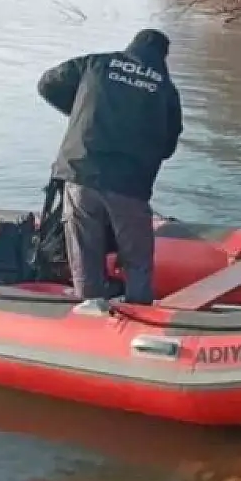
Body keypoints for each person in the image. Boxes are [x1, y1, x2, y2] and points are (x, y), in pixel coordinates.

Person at [37, 29, 183, 308]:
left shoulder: (96, 64)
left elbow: (47, 84)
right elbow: (168, 145)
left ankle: (89, 311)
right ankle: (139, 312)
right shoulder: (165, 88)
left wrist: (81, 112)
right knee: (137, 259)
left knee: (83, 251)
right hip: (130, 184)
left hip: (80, 172)